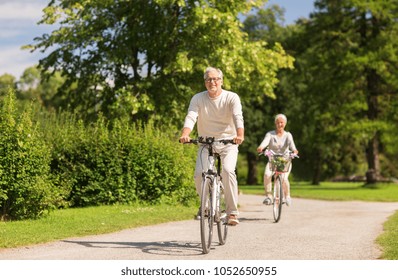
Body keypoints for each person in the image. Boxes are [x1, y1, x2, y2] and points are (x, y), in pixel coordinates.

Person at [179, 67, 244, 226]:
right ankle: (206, 206)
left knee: (228, 171)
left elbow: (237, 117)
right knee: (199, 174)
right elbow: (191, 116)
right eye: (208, 79)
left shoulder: (231, 97)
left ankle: (232, 212)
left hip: (229, 142)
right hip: (206, 142)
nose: (212, 82)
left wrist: (240, 135)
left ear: (221, 81)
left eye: (215, 79)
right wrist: (185, 134)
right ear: (205, 82)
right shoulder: (198, 98)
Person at [256, 114, 298, 206]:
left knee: (284, 178)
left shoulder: (288, 135)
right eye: (278, 122)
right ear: (275, 123)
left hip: (285, 160)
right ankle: (269, 196)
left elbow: (292, 146)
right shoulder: (270, 134)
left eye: (282, 122)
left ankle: (287, 197)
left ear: (285, 124)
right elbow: (265, 142)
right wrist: (261, 147)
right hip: (273, 160)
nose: (280, 124)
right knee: (267, 174)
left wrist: (294, 151)